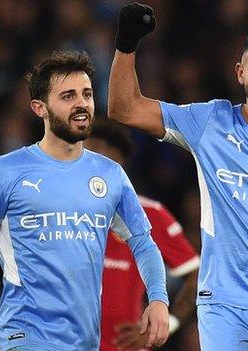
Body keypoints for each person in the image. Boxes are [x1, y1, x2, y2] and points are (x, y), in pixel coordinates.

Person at [108, 4, 248, 351]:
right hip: (222, 303)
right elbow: (124, 108)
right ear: (240, 72)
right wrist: (126, 46)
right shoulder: (210, 122)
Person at [0, 50, 170, 351]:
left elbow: (143, 243)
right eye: (68, 96)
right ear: (40, 108)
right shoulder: (3, 173)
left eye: (86, 94)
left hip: (86, 339)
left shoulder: (110, 175)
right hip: (25, 334)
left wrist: (158, 299)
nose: (81, 104)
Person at [85, 120, 200, 351]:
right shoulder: (60, 213)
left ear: (119, 166)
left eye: (101, 162)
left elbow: (196, 277)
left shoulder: (149, 215)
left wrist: (168, 322)